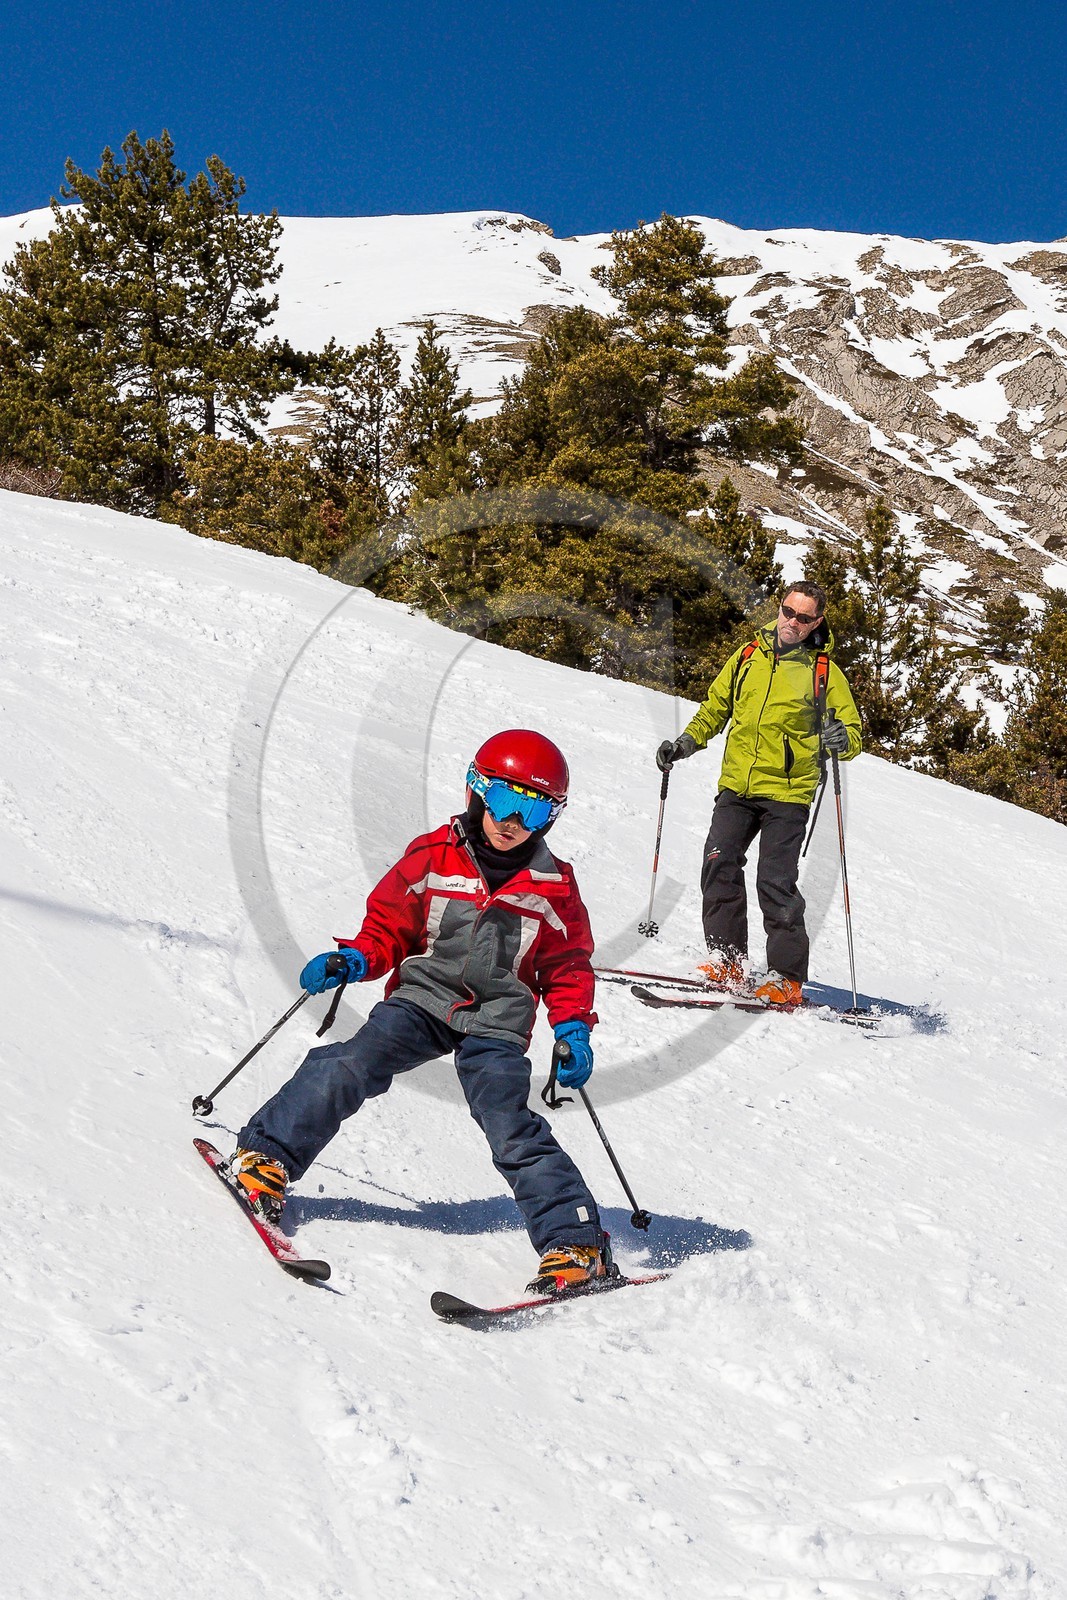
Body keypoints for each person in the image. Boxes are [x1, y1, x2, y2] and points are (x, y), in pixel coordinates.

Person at [229, 729, 612, 1296]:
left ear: (550, 818)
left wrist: (573, 1027)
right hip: (422, 1000)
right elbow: (388, 927)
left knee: (508, 1121)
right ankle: (266, 1157)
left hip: (497, 1022)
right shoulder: (433, 856)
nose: (511, 821)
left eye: (531, 809)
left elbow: (567, 965)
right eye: (502, 800)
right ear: (477, 793)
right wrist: (356, 959)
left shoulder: (555, 886)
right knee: (351, 1063)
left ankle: (574, 1241)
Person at [656, 582, 861, 1004]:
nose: (792, 621)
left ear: (817, 622)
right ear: (780, 608)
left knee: (775, 881)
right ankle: (729, 962)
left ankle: (785, 978)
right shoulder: (749, 655)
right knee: (719, 863)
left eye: (804, 618)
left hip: (788, 792)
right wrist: (684, 744)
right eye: (788, 611)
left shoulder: (823, 673)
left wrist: (842, 739)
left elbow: (852, 733)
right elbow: (716, 707)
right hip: (738, 785)